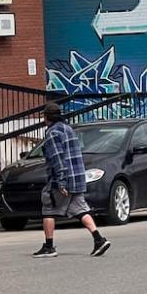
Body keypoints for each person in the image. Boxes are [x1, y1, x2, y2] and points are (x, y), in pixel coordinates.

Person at [34, 102, 109, 259]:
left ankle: (49, 247)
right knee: (80, 209)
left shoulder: (53, 133)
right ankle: (99, 239)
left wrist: (61, 182)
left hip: (63, 179)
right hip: (77, 177)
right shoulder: (68, 129)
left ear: (46, 117)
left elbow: (58, 159)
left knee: (48, 209)